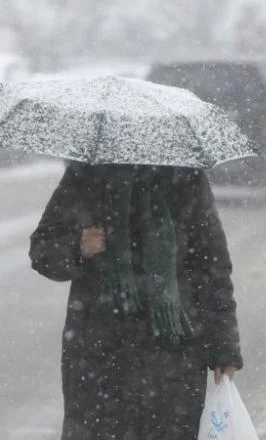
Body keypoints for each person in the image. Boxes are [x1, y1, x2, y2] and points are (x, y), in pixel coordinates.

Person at [30, 163, 242, 440]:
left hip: (174, 353)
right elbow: (42, 250)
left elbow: (212, 266)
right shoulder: (87, 174)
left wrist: (223, 347)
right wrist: (78, 247)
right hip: (99, 354)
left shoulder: (186, 175)